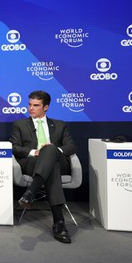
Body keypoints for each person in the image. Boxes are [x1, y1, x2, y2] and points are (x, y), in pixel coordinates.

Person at [10, 90, 77, 244]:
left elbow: (71, 146)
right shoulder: (19, 125)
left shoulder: (60, 125)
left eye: (36, 105)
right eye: (29, 104)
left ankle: (30, 193)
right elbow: (13, 147)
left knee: (50, 150)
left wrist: (52, 150)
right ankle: (59, 223)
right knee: (53, 167)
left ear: (45, 107)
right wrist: (35, 152)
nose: (30, 108)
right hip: (33, 163)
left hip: (58, 160)